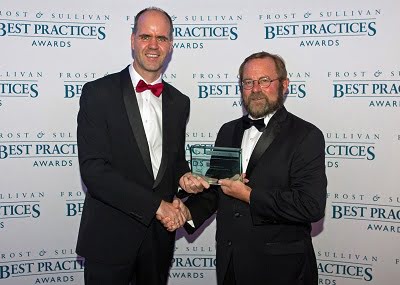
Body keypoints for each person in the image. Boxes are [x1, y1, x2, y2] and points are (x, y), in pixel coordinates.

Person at [164, 51, 327, 285]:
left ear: (284, 84)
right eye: (248, 82)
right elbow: (217, 190)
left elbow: (310, 206)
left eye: (264, 81)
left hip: (281, 270)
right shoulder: (227, 131)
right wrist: (187, 213)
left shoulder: (306, 135)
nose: (255, 89)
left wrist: (250, 195)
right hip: (231, 265)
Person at [76, 7, 208, 285]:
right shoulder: (98, 93)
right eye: (146, 36)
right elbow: (94, 171)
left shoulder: (179, 101)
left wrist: (184, 178)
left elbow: (172, 162)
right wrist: (156, 206)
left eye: (161, 38)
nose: (153, 45)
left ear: (171, 45)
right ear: (132, 39)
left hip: (158, 242)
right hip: (109, 238)